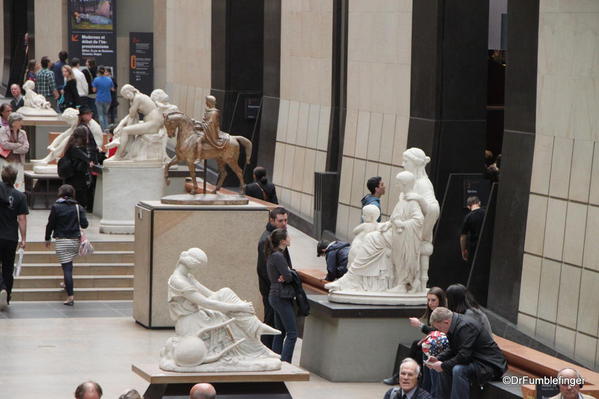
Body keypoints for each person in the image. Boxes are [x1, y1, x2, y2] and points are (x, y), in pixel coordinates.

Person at [426, 307, 507, 399]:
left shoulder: (466, 326)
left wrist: (443, 365)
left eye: (439, 328)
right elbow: (453, 348)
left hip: (490, 364)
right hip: (475, 360)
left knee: (458, 369)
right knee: (445, 367)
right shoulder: (453, 324)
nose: (440, 331)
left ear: (446, 322)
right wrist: (438, 358)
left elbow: (464, 356)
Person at [384, 287, 447, 386]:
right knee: (417, 346)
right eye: (428, 300)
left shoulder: (443, 313)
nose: (430, 303)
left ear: (440, 300)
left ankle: (405, 375)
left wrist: (420, 325)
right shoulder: (433, 311)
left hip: (443, 344)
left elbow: (441, 332)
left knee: (417, 346)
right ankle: (410, 375)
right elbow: (435, 332)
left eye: (433, 300)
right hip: (435, 342)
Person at [45, 184, 89, 306]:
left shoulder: (56, 207)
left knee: (67, 268)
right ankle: (66, 282)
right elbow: (85, 224)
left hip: (62, 241)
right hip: (75, 241)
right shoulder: (78, 207)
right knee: (68, 265)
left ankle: (70, 296)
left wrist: (47, 238)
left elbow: (50, 224)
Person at [257, 207, 291, 348]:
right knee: (271, 321)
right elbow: (265, 268)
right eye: (280, 220)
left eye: (286, 220)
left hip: (273, 288)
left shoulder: (277, 235)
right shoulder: (268, 239)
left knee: (274, 323)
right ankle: (265, 350)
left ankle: (269, 350)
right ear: (272, 220)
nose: (284, 223)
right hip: (272, 288)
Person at [267, 228, 297, 363]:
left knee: (280, 331)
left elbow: (285, 275)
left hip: (276, 295)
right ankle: (285, 363)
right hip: (281, 295)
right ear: (283, 241)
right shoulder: (278, 256)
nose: (290, 239)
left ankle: (276, 360)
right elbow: (289, 276)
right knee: (292, 333)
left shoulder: (273, 255)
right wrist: (288, 274)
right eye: (288, 237)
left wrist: (286, 275)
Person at [0, 165, 28, 311]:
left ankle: (1, 288)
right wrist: (23, 239)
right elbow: (21, 219)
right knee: (8, 267)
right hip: (11, 237)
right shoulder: (20, 196)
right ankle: (7, 296)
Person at [59, 127, 92, 208]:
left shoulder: (70, 144)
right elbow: (88, 158)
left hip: (70, 176)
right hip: (78, 177)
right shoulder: (77, 148)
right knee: (79, 199)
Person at [0, 112, 30, 191]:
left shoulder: (23, 133)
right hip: (5, 161)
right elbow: (4, 144)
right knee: (4, 183)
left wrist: (13, 149)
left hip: (18, 161)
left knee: (18, 184)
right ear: (14, 122)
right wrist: (18, 144)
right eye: (20, 120)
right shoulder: (3, 130)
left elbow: (26, 148)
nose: (22, 123)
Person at [459, 196, 485, 283]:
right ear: (479, 203)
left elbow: (463, 236)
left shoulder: (468, 217)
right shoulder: (486, 212)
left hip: (474, 247)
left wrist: (463, 251)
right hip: (487, 247)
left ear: (468, 207)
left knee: (474, 270)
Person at [92, 66, 114, 131]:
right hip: (108, 99)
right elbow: (112, 89)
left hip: (99, 98)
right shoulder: (109, 79)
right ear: (104, 72)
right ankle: (106, 128)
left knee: (100, 115)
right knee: (105, 114)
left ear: (98, 72)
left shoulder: (96, 80)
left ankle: (102, 129)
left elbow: (94, 90)